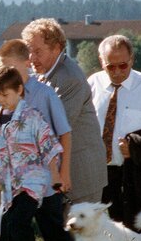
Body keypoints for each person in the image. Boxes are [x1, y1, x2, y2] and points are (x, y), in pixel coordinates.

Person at [0, 39, 76, 241]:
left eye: (10, 66)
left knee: (51, 229)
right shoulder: (3, 98)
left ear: (26, 62)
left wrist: (64, 172)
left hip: (47, 179)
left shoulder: (45, 94)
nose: (6, 71)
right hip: (16, 181)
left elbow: (64, 132)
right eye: (2, 67)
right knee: (14, 226)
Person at [0, 66, 63, 241]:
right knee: (5, 228)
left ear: (19, 90)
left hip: (31, 182)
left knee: (17, 222)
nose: (1, 100)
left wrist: (55, 176)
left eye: (5, 94)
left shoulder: (32, 116)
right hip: (8, 185)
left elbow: (49, 144)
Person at [87, 35, 141, 227]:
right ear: (102, 62)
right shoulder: (92, 84)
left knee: (129, 232)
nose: (117, 71)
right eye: (111, 66)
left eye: (123, 65)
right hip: (95, 171)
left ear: (132, 60)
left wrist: (136, 148)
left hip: (130, 175)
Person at [22, 18, 107, 204]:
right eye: (28, 51)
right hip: (62, 175)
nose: (31, 58)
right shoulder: (46, 74)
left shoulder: (69, 79)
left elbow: (52, 127)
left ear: (57, 48)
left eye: (37, 51)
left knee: (79, 234)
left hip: (80, 178)